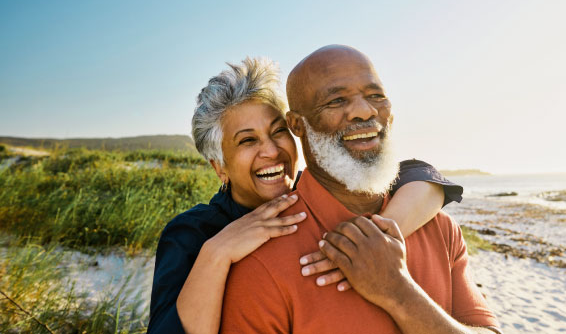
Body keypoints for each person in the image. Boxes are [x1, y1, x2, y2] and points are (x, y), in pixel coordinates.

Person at [147, 57, 464, 334]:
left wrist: (375, 237)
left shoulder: (321, 189)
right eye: (247, 141)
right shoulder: (192, 234)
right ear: (220, 167)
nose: (271, 151)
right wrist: (217, 252)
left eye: (277, 131)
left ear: (295, 128)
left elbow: (420, 175)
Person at [219, 45, 500, 334]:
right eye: (337, 100)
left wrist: (398, 292)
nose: (364, 111)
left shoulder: (440, 230)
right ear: (296, 125)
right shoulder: (260, 264)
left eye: (376, 96)